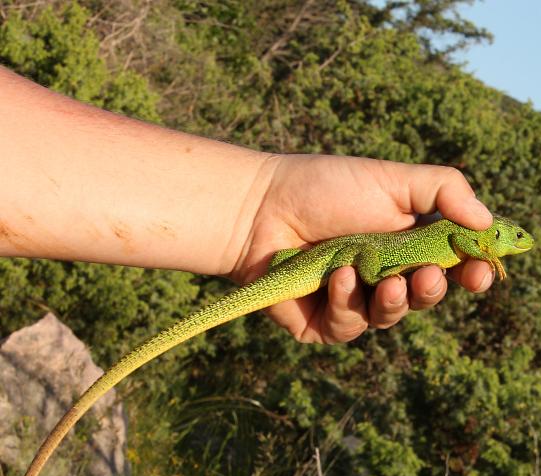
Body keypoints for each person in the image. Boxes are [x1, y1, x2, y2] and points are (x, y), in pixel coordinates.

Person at [0, 66, 496, 344]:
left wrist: (254, 211)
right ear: (489, 234)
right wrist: (254, 207)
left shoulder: (464, 245)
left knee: (354, 278)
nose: (519, 241)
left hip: (301, 263)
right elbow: (453, 237)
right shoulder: (466, 235)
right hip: (322, 261)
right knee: (365, 276)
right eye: (511, 234)